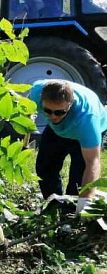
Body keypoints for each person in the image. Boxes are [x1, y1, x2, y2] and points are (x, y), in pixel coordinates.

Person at [29, 79, 107, 213]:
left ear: (70, 104)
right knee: (44, 168)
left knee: (77, 182)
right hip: (58, 129)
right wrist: (28, 115)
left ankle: (70, 215)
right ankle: (53, 207)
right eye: (47, 110)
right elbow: (27, 103)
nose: (52, 116)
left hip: (80, 131)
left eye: (59, 112)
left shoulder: (87, 119)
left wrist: (85, 203)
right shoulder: (37, 91)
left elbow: (92, 163)